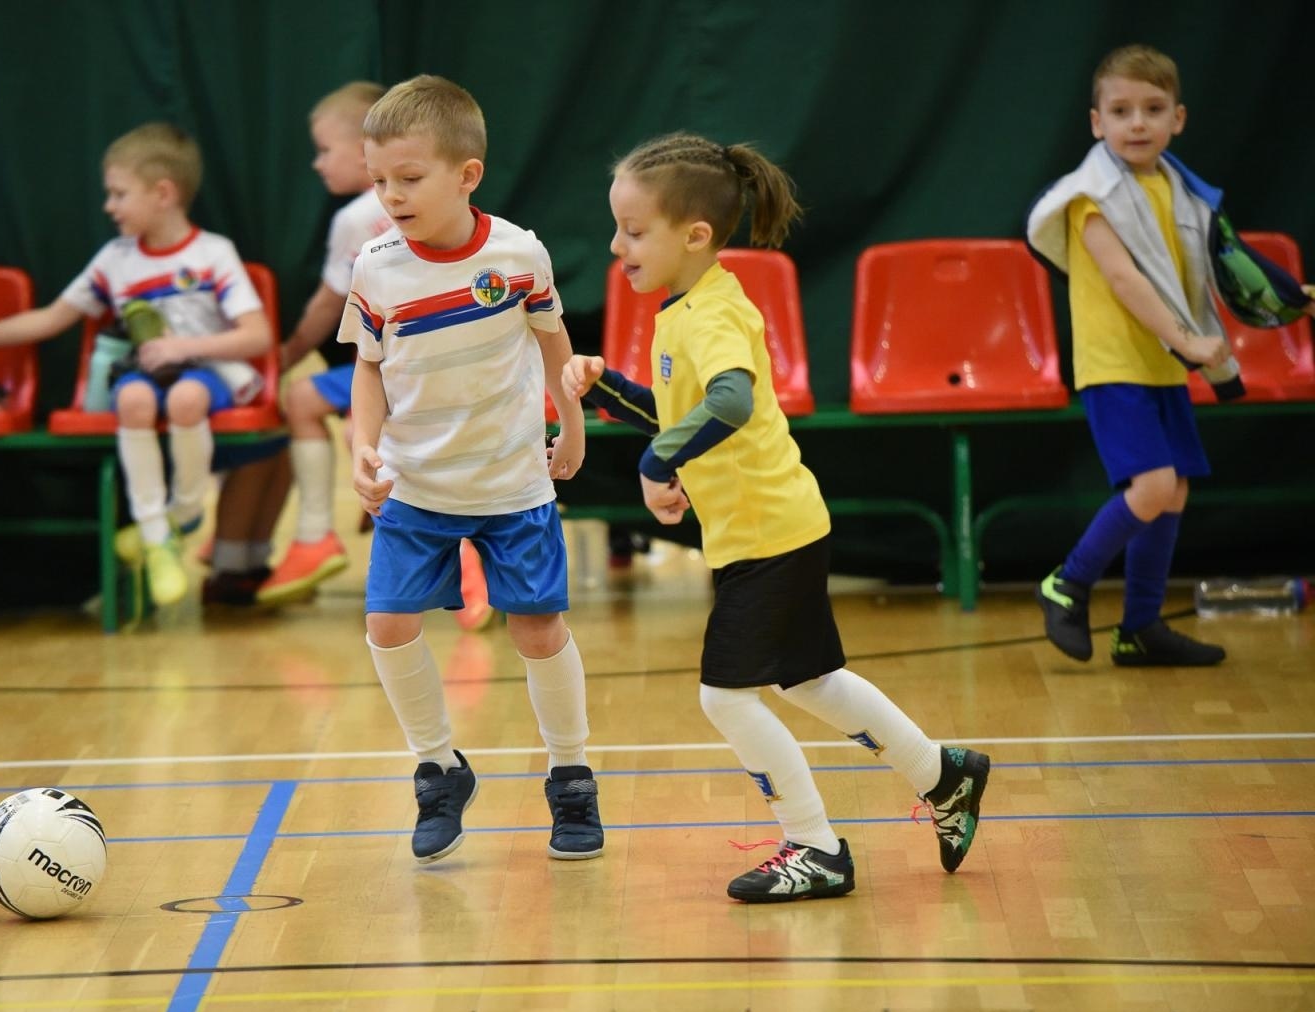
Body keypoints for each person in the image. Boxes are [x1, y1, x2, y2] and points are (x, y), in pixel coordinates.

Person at [563, 132, 989, 903]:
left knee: (726, 697)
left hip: (768, 532)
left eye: (632, 230)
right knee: (810, 682)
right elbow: (683, 412)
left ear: (695, 236)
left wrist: (658, 463)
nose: (615, 244)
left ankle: (814, 846)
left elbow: (730, 401)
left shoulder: (710, 314)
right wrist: (608, 388)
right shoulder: (684, 307)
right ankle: (943, 773)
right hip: (771, 525)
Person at [344, 75, 600, 864]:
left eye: (409, 178)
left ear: (468, 175)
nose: (391, 194)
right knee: (387, 625)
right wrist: (363, 445)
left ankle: (571, 777)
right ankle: (438, 767)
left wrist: (573, 423)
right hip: (417, 485)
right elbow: (368, 368)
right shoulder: (375, 268)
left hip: (511, 483)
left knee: (537, 630)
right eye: (378, 178)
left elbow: (555, 344)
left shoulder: (519, 254)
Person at [1025, 45, 1313, 667]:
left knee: (1173, 492)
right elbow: (1125, 280)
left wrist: (1292, 298)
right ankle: (1067, 583)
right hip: (1115, 363)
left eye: (1152, 109)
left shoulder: (1181, 191)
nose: (1137, 123)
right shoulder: (1088, 196)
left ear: (1177, 119)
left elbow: (1226, 262)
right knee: (1152, 486)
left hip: (1159, 364)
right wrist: (1188, 344)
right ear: (1096, 122)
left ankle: (1140, 628)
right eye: (1121, 110)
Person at [0, 123, 272, 607]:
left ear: (163, 193)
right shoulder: (115, 259)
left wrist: (182, 349)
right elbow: (49, 320)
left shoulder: (213, 253)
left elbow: (257, 335)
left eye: (119, 194)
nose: (109, 206)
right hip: (145, 376)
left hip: (206, 374)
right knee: (131, 397)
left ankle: (183, 516)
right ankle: (154, 534)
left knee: (188, 398)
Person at [254, 81, 493, 629]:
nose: (317, 163)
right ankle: (465, 553)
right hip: (461, 369)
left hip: (404, 366)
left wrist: (288, 352)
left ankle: (316, 536)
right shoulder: (453, 206)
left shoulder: (355, 220)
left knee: (302, 398)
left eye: (326, 149)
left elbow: (326, 304)